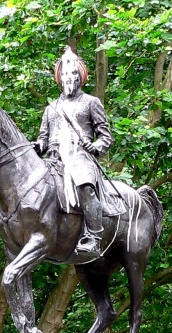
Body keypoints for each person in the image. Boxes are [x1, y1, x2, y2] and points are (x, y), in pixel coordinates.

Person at [35, 46, 113, 258]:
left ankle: (94, 237)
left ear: (81, 76)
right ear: (60, 77)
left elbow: (106, 137)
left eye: (74, 73)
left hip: (80, 157)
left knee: (85, 187)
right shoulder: (51, 108)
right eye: (66, 73)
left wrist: (96, 147)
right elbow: (43, 137)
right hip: (53, 160)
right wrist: (37, 146)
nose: (70, 77)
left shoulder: (91, 103)